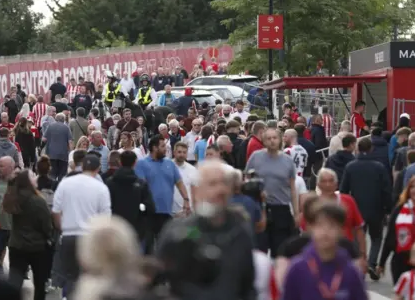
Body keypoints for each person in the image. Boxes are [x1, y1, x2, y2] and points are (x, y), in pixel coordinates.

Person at [157, 161, 256, 300]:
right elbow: (160, 281)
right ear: (196, 191)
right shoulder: (177, 233)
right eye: (213, 183)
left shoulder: (239, 232)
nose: (220, 189)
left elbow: (247, 286)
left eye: (224, 183)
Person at [281, 201, 368, 300]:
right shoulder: (297, 269)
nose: (325, 231)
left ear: (341, 231)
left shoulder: (351, 271)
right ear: (311, 228)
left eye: (332, 226)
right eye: (320, 225)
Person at [52, 153, 111, 297]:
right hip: (90, 238)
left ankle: (67, 296)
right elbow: (105, 218)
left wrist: (62, 228)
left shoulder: (66, 182)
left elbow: (55, 211)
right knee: (88, 275)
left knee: (70, 274)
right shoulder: (101, 188)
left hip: (68, 236)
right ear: (97, 169)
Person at [340, 137, 392, 280]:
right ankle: (372, 262)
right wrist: (388, 208)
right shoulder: (379, 167)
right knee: (376, 238)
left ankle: (359, 263)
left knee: (358, 238)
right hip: (376, 208)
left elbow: (344, 189)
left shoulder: (351, 166)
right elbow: (386, 189)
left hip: (357, 208)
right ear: (371, 149)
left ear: (358, 148)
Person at [246, 128, 299, 258]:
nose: (272, 141)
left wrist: (297, 213)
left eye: (274, 138)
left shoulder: (287, 161)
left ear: (280, 139)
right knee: (259, 249)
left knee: (280, 250)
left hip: (281, 207)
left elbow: (292, 188)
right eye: (268, 138)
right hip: (260, 207)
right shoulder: (255, 157)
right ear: (263, 141)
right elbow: (246, 180)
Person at [134, 134, 191, 253]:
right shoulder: (142, 164)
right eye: (163, 146)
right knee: (148, 247)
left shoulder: (170, 164)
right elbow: (140, 187)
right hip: (148, 213)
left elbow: (179, 183)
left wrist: (186, 200)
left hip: (166, 212)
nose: (166, 148)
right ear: (154, 148)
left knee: (166, 247)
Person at [3, 170, 54, 300]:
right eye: (32, 176)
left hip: (17, 244)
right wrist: (49, 236)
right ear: (27, 181)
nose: (36, 177)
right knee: (39, 282)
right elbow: (46, 225)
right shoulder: (38, 201)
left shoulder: (12, 199)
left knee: (15, 281)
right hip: (37, 246)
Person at [106, 150, 155, 247]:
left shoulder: (109, 183)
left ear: (119, 161)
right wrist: (140, 209)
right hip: (137, 231)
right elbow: (149, 207)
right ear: (135, 162)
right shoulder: (141, 184)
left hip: (115, 230)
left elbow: (106, 207)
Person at [171, 142, 198, 218]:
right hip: (170, 211)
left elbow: (195, 191)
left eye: (184, 152)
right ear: (174, 153)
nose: (181, 154)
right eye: (179, 152)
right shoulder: (167, 167)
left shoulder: (192, 170)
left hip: (187, 211)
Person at [43, 113, 73, 180]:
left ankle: (52, 188)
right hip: (63, 155)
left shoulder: (50, 126)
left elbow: (44, 139)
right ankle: (60, 187)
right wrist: (71, 152)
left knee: (52, 174)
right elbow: (70, 141)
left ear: (55, 119)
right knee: (62, 175)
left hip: (51, 154)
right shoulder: (66, 128)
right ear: (64, 119)